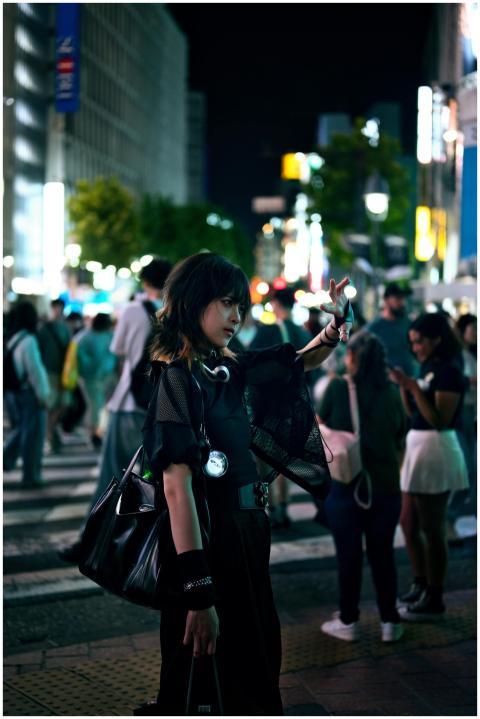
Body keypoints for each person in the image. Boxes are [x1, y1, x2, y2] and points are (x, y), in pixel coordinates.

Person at [137, 252, 353, 716]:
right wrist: (198, 591)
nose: (237, 316)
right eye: (226, 304)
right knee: (211, 680)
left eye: (241, 306)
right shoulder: (177, 379)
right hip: (209, 548)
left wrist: (335, 328)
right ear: (194, 303)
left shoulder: (222, 369)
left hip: (246, 536)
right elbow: (177, 490)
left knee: (253, 665)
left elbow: (296, 363)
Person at [58, 257, 172, 563]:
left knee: (112, 477)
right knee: (158, 481)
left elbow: (119, 352)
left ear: (145, 281)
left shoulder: (134, 310)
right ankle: (151, 550)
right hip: (162, 409)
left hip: (128, 404)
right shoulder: (177, 312)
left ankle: (90, 543)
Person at [318, 332, 407, 642]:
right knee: (383, 554)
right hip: (384, 485)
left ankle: (349, 620)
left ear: (353, 358)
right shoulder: (393, 393)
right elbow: (399, 433)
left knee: (349, 555)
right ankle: (389, 621)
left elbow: (321, 423)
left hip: (347, 484)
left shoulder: (339, 387)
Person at [390, 312, 469, 621]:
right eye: (413, 343)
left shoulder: (449, 372)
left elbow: (439, 419)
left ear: (436, 339)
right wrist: (404, 387)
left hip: (436, 447)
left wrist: (412, 387)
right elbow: (414, 414)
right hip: (418, 445)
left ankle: (435, 594)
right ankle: (420, 582)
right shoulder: (428, 368)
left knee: (432, 527)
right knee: (408, 522)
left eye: (420, 342)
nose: (416, 348)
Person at [250, 286, 314, 529]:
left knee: (265, 457)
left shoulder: (269, 331)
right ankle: (284, 505)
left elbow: (252, 361)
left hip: (267, 402)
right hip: (294, 402)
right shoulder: (301, 332)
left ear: (276, 303)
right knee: (284, 458)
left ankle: (273, 506)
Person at [4, 302, 51, 487]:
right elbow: (35, 372)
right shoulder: (29, 340)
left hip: (15, 392)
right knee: (33, 436)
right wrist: (44, 396)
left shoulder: (11, 338)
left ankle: (7, 460)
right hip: (30, 394)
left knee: (22, 430)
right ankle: (31, 476)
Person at [77, 313, 117, 449]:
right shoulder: (106, 336)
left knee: (97, 406)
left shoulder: (83, 337)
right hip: (97, 377)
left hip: (95, 377)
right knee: (97, 406)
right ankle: (95, 434)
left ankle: (96, 433)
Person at [38, 298, 71, 453]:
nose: (58, 311)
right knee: (52, 406)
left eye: (60, 308)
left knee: (63, 405)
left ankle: (52, 431)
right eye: (56, 308)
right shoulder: (45, 328)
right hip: (50, 371)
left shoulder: (66, 327)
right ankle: (50, 436)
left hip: (64, 372)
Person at [368, 282, 416, 376]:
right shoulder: (374, 328)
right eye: (398, 298)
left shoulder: (410, 325)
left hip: (409, 381)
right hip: (384, 384)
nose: (402, 302)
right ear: (386, 300)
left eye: (403, 298)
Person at [454, 313, 477, 510]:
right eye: (473, 329)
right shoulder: (458, 355)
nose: (476, 333)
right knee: (467, 466)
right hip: (462, 412)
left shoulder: (472, 352)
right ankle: (454, 509)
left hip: (472, 412)